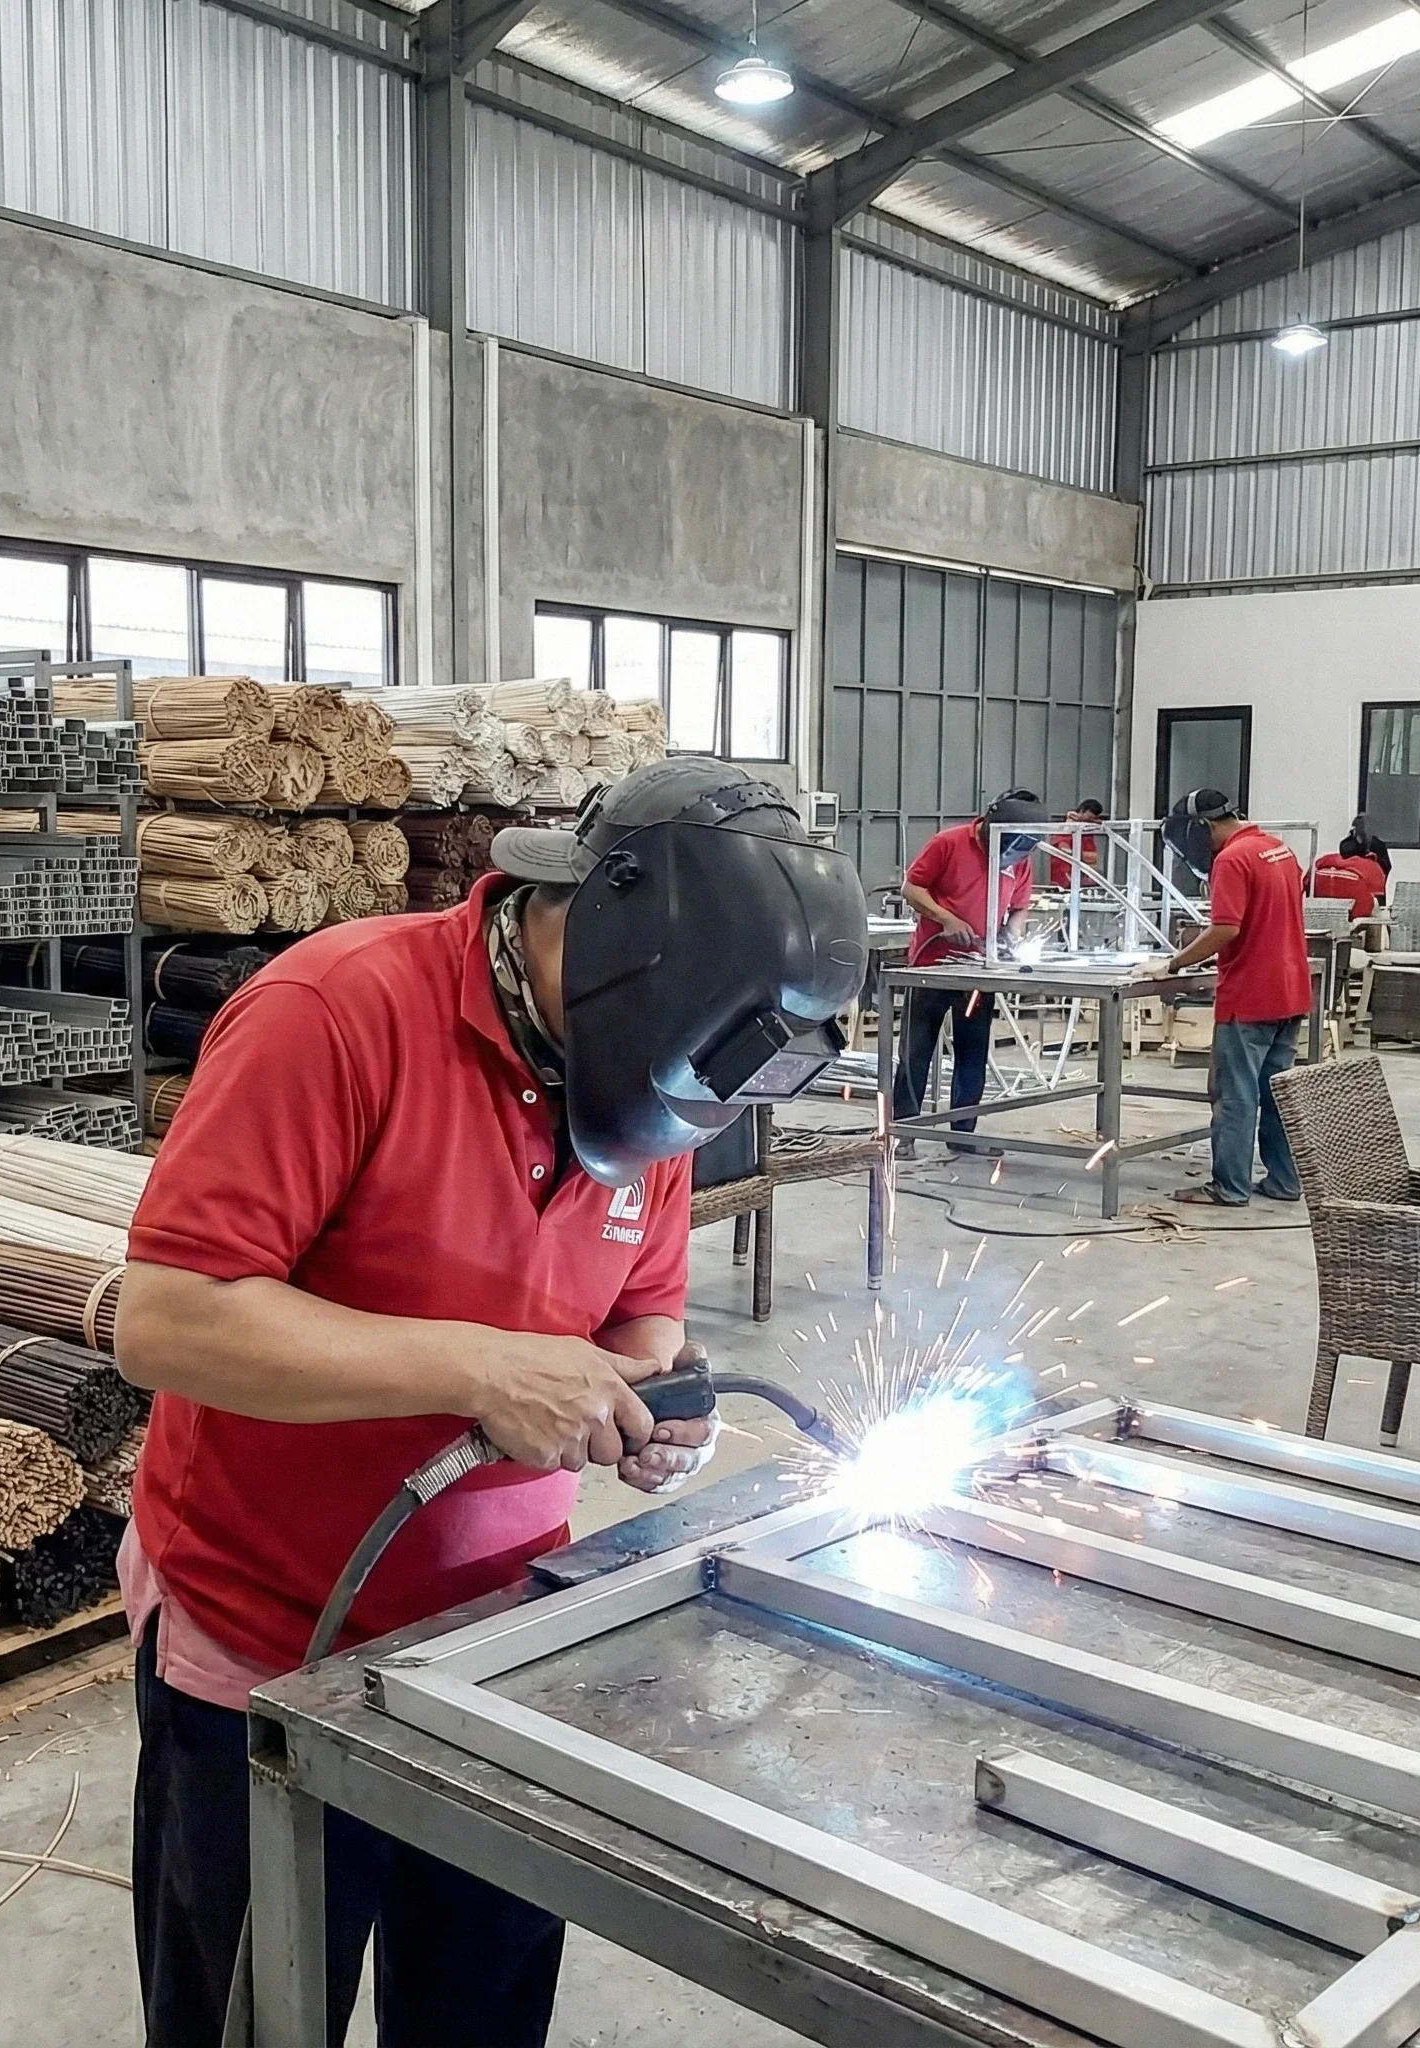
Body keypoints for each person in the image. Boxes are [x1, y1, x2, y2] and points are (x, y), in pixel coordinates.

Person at [114, 760, 864, 2048]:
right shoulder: (334, 1011)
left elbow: (644, 1304)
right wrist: (478, 1367)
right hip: (259, 1636)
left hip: (500, 1648)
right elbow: (169, 1320)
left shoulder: (660, 1074)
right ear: (615, 940)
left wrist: (649, 1397)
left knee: (480, 2010)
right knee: (249, 2014)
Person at [1162, 788, 1311, 1208]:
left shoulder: (1232, 858)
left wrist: (1174, 964)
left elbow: (1225, 928)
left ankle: (1229, 1188)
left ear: (1203, 827)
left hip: (1249, 997)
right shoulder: (1277, 849)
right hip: (1289, 992)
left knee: (1234, 1098)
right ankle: (1283, 1182)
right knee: (1276, 1095)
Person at [891, 790, 1040, 1155]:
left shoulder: (1018, 857)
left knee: (972, 1052)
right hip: (933, 966)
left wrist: (1012, 936)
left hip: (978, 970)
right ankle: (902, 1134)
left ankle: (963, 1133)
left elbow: (1019, 906)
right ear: (990, 828)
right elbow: (911, 888)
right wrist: (946, 918)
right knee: (916, 1050)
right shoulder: (948, 843)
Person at [1046, 798, 1106, 894]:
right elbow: (1063, 848)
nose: (1091, 821)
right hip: (1064, 875)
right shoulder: (1069, 828)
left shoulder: (1087, 829)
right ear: (1082, 811)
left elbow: (1092, 858)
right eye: (1089, 818)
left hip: (1078, 875)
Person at [1340, 812, 1393, 881]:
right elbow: (1345, 858)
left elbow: (1386, 867)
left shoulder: (1378, 845)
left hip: (1371, 883)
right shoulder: (1346, 844)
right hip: (1353, 882)